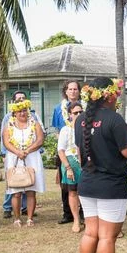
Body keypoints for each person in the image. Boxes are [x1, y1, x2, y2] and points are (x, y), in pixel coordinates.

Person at [75, 77, 127, 253]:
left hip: (87, 183)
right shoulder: (115, 119)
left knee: (91, 233)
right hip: (110, 185)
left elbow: (81, 153)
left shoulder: (80, 119)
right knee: (108, 237)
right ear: (109, 95)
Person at [3, 98, 46, 227]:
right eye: (19, 111)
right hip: (14, 158)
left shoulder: (35, 124)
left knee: (30, 190)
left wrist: (27, 150)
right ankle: (17, 218)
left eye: (24, 111)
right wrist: (18, 152)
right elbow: (6, 142)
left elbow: (40, 140)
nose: (22, 113)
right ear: (14, 113)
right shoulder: (8, 125)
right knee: (16, 191)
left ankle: (30, 218)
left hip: (31, 157)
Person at [52, 80, 80, 225]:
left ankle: (82, 214)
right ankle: (67, 213)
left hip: (81, 150)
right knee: (66, 184)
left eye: (75, 89)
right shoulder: (58, 109)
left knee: (81, 184)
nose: (73, 91)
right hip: (65, 149)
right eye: (70, 89)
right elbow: (57, 130)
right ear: (66, 91)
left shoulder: (84, 107)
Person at [1, 90, 32, 219]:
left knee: (28, 180)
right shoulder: (8, 117)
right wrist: (4, 154)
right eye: (18, 98)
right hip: (13, 154)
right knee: (14, 182)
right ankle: (8, 208)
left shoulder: (33, 116)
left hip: (29, 154)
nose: (21, 100)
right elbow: (4, 137)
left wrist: (29, 150)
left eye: (23, 98)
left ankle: (25, 208)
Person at [57, 101, 85, 233]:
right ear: (70, 115)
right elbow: (61, 150)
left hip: (84, 164)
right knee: (73, 192)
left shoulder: (86, 128)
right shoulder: (66, 130)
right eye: (75, 113)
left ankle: (87, 218)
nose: (78, 114)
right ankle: (76, 220)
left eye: (81, 112)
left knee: (86, 192)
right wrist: (68, 168)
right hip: (71, 164)